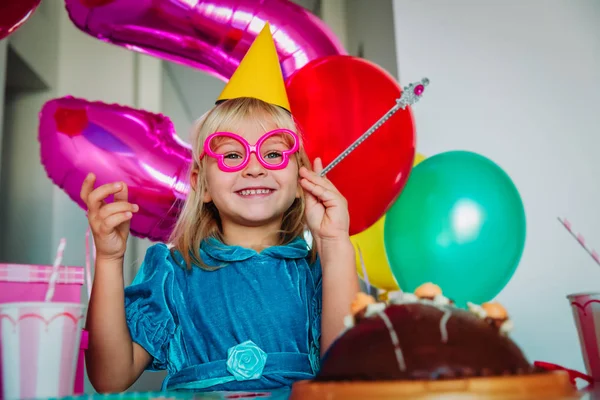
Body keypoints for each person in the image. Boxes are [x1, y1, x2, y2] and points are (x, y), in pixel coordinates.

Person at [81, 23, 359, 393]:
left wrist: (335, 241)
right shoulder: (171, 274)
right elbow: (109, 378)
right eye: (231, 154)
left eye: (274, 153)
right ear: (202, 184)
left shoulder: (319, 273)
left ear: (299, 180)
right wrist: (109, 260)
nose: (254, 166)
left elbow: (347, 381)